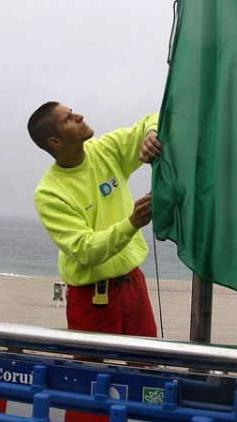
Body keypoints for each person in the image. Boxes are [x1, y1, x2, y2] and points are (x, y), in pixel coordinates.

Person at [28, 101, 162, 337]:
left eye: (73, 112)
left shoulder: (105, 151)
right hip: (91, 296)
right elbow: (85, 250)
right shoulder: (49, 192)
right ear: (55, 142)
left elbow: (152, 118)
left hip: (132, 282)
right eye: (68, 118)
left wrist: (151, 134)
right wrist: (132, 223)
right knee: (93, 370)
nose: (79, 116)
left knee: (146, 363)